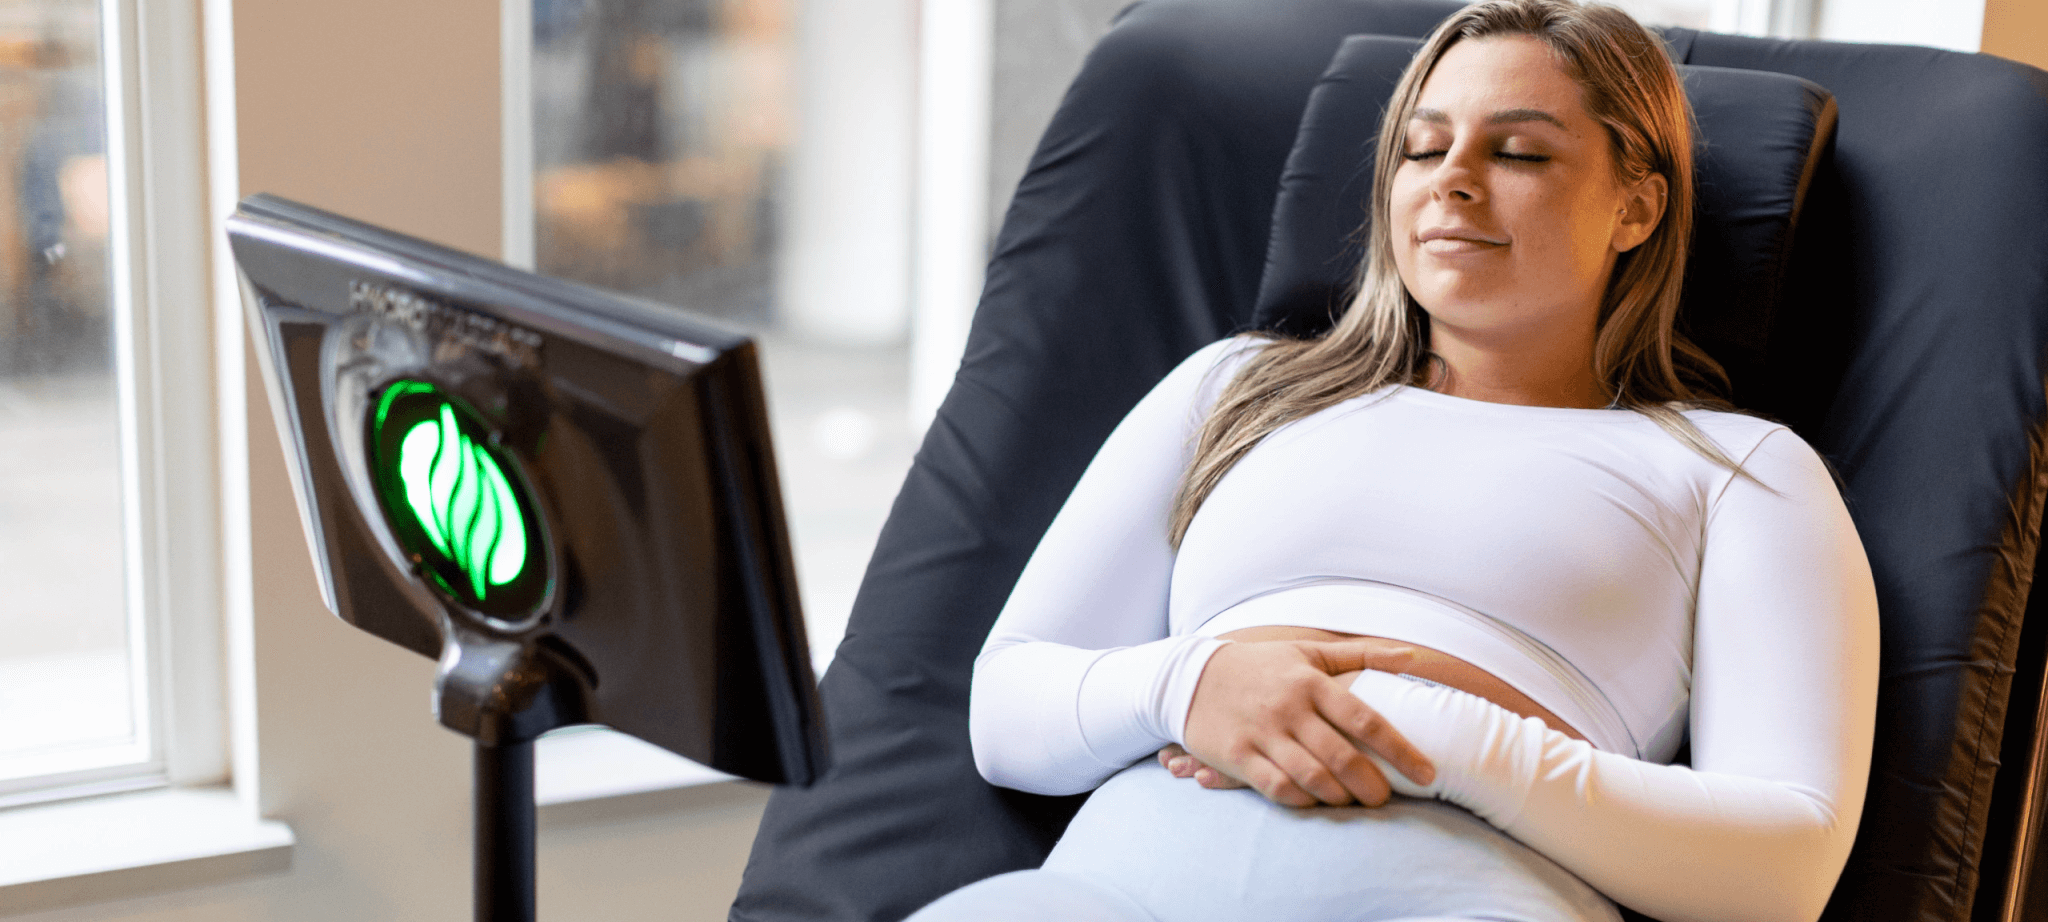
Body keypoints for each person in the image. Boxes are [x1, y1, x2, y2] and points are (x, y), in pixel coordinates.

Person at [906, 1, 1878, 920]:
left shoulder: (1735, 469)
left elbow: (1783, 866)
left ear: (1635, 207)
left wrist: (1437, 732)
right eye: (1421, 146)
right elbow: (1008, 708)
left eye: (1519, 151)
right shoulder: (1235, 387)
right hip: (1106, 890)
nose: (1451, 176)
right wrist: (1188, 685)